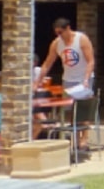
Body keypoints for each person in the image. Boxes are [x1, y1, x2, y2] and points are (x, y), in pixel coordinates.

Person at [36, 17, 96, 152]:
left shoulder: (81, 39)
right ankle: (74, 139)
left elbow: (91, 61)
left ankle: (84, 140)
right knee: (70, 111)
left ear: (68, 28)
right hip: (69, 79)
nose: (59, 35)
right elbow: (47, 63)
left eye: (60, 32)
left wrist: (86, 79)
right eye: (56, 33)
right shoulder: (57, 43)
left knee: (83, 109)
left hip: (83, 79)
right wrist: (38, 81)